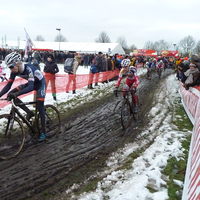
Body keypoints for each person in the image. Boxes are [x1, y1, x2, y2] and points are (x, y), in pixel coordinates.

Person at [0, 52, 46, 141]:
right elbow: (8, 86)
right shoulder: (14, 71)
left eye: (11, 67)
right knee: (11, 94)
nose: (11, 70)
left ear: (18, 63)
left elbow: (31, 87)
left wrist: (17, 94)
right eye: (9, 68)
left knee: (40, 106)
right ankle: (29, 112)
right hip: (30, 83)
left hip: (40, 84)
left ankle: (44, 132)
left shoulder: (29, 69)